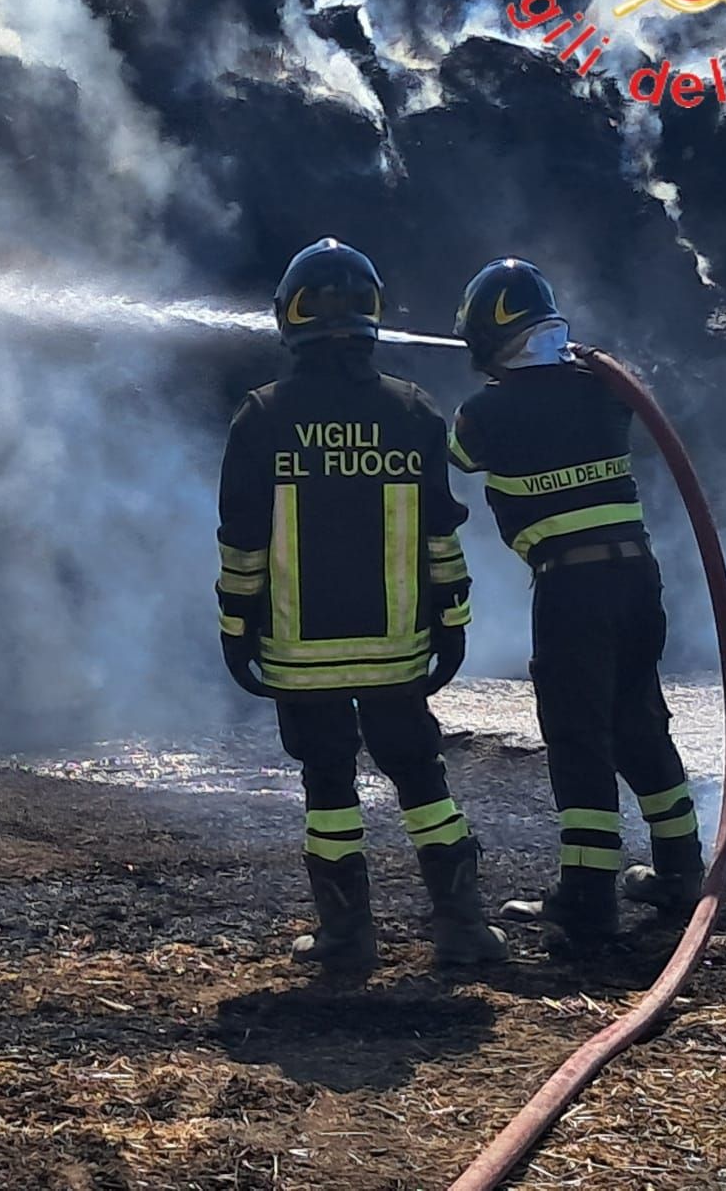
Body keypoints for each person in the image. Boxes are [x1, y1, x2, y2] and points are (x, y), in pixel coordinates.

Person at [217, 238, 507, 973]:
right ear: (375, 315)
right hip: (397, 650)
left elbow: (242, 545)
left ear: (289, 316)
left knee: (329, 784)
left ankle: (348, 937)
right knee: (420, 777)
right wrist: (453, 623)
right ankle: (462, 931)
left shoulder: (261, 418)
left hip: (299, 652)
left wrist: (233, 631)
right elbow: (442, 533)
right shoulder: (413, 413)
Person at [448, 258, 704, 949]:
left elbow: (458, 453)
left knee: (578, 736)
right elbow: (612, 391)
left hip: (572, 587)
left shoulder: (487, 412)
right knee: (638, 721)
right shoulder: (604, 391)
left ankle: (587, 900)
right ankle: (682, 872)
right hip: (636, 581)